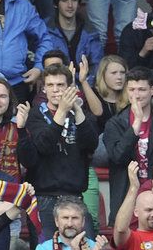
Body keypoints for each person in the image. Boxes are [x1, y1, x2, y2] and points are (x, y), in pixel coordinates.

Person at [18, 65, 99, 233]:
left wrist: (76, 110)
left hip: (74, 197)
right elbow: (44, 145)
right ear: (44, 89)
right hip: (43, 197)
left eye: (60, 85)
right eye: (50, 85)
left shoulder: (80, 113)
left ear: (70, 88)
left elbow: (91, 144)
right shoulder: (35, 115)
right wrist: (62, 111)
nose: (55, 90)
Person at [103, 68, 153, 221]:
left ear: (152, 90)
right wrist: (137, 123)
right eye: (131, 89)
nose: (136, 95)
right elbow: (118, 156)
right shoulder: (116, 123)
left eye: (142, 89)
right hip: (126, 195)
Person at [44, 0, 103, 73]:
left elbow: (97, 65)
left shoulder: (91, 31)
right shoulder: (45, 30)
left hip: (85, 84)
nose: (70, 5)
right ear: (55, 4)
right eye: (64, 0)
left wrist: (86, 84)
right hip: (56, 83)